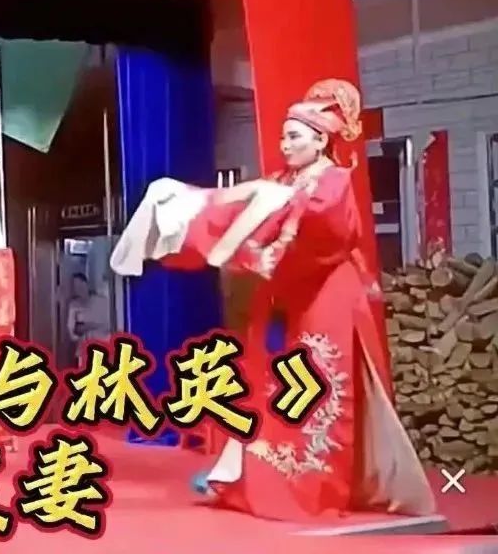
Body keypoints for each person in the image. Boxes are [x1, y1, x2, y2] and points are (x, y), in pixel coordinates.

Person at [110, 79, 436, 522]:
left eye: (295, 136)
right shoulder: (283, 182)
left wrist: (278, 216)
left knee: (317, 386)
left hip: (327, 295)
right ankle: (247, 471)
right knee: (268, 381)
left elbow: (324, 233)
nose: (285, 144)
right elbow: (234, 208)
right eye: (283, 136)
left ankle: (313, 485)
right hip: (289, 294)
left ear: (321, 140)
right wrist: (186, 203)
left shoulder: (333, 182)